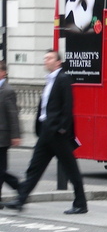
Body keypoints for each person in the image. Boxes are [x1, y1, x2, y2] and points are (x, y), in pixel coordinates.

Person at [5, 51, 87, 214]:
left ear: (58, 62)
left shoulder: (63, 79)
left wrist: (62, 129)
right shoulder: (49, 80)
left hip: (57, 133)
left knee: (71, 169)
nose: (45, 60)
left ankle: (81, 204)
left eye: (49, 58)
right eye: (45, 58)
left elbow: (67, 106)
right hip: (45, 131)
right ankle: (21, 199)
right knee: (35, 167)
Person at [0, 61, 21, 208]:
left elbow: (13, 114)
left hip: (3, 136)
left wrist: (15, 135)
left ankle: (20, 187)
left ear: (3, 72)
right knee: (1, 170)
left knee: (1, 170)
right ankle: (20, 187)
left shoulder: (8, 90)